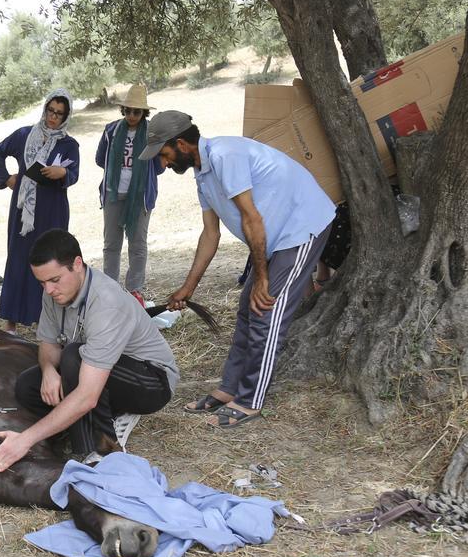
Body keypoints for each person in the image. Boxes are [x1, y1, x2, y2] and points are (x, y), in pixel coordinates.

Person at [139, 110, 334, 429]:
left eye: (164, 155)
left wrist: (262, 277)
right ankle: (229, 389)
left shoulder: (225, 155)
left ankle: (250, 399)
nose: (163, 164)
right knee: (247, 310)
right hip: (276, 237)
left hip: (302, 227)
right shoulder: (203, 176)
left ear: (181, 144)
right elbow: (210, 235)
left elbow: (252, 219)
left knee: (265, 313)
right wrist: (188, 288)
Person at [0, 230, 181, 474]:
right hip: (99, 368)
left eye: (54, 280)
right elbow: (48, 343)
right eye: (41, 282)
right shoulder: (54, 292)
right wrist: (48, 371)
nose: (48, 290)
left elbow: (87, 394)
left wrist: (25, 440)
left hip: (152, 381)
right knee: (28, 386)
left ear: (77, 264)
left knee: (74, 358)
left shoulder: (107, 302)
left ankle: (104, 448)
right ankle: (98, 416)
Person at [0, 89, 80, 332]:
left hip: (52, 209)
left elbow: (74, 175)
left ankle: (46, 323)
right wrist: (7, 179)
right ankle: (11, 321)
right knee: (19, 258)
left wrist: (62, 173)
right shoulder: (23, 135)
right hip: (23, 211)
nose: (53, 117)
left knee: (51, 261)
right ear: (45, 109)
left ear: (66, 117)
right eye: (51, 111)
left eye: (59, 114)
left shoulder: (69, 144)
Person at [95, 84, 163, 298]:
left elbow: (159, 166)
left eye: (137, 111)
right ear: (123, 110)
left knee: (138, 245)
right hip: (114, 193)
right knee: (111, 244)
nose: (132, 115)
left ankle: (135, 291)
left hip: (140, 197)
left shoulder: (153, 132)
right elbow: (100, 159)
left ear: (144, 113)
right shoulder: (111, 130)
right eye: (129, 110)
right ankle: (110, 289)